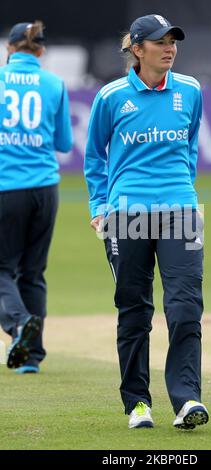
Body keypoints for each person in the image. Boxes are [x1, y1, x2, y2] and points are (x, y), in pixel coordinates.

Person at [84, 14, 209, 430]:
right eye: (160, 42)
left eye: (173, 40)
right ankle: (138, 403)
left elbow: (190, 148)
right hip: (127, 215)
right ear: (137, 49)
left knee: (186, 307)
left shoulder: (190, 91)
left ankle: (187, 399)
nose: (169, 48)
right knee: (135, 311)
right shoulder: (112, 96)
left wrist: (183, 195)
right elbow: (94, 157)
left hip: (180, 212)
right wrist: (100, 207)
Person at [0, 21, 73, 374]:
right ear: (41, 52)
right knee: (33, 273)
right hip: (45, 188)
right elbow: (63, 144)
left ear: (9, 49)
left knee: (1, 269)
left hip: (5, 186)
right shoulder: (54, 83)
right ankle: (30, 357)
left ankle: (17, 325)